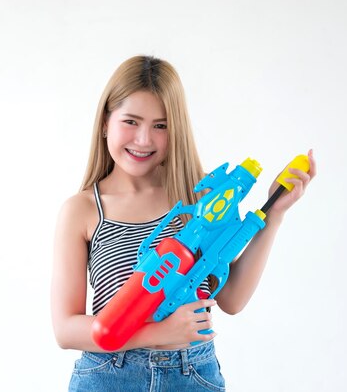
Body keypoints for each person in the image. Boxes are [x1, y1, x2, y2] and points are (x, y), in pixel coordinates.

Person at [50, 55, 316, 392]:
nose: (144, 139)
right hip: (109, 375)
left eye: (160, 125)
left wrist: (274, 213)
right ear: (105, 122)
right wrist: (158, 333)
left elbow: (231, 299)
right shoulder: (84, 210)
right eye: (131, 121)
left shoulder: (201, 198)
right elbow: (65, 330)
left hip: (193, 374)